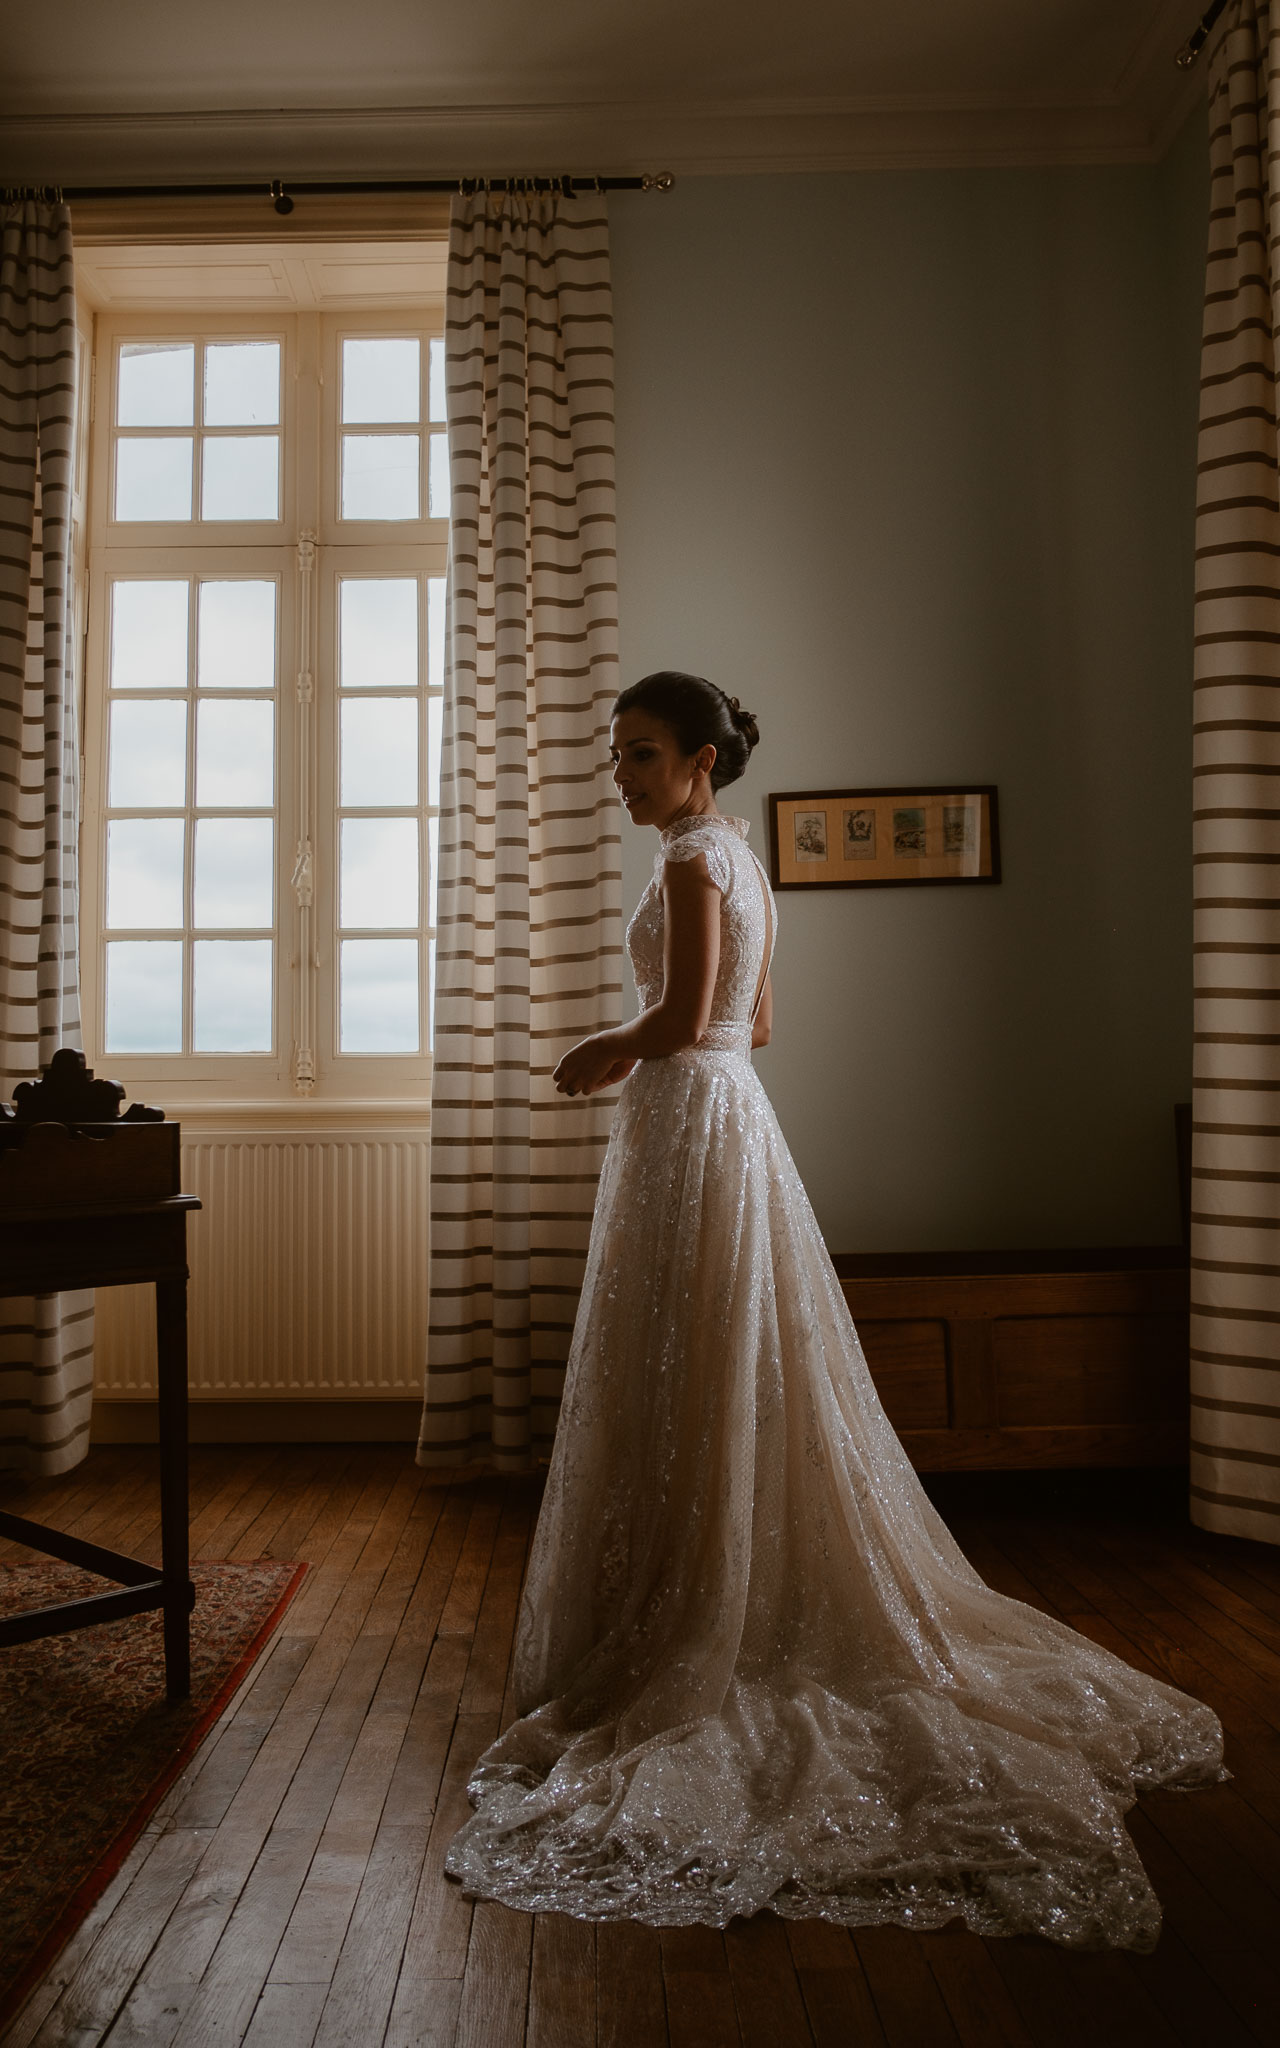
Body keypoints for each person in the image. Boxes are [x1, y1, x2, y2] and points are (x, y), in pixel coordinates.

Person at [444, 670, 1224, 1948]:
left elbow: (696, 1016)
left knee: (690, 1357)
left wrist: (605, 1048)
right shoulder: (742, 859)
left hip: (689, 1124)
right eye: (614, 754)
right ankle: (720, 1579)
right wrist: (678, 1054)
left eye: (637, 754)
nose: (618, 774)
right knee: (727, 1356)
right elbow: (758, 1018)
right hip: (729, 1118)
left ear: (698, 759)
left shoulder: (695, 862)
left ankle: (698, 1610)